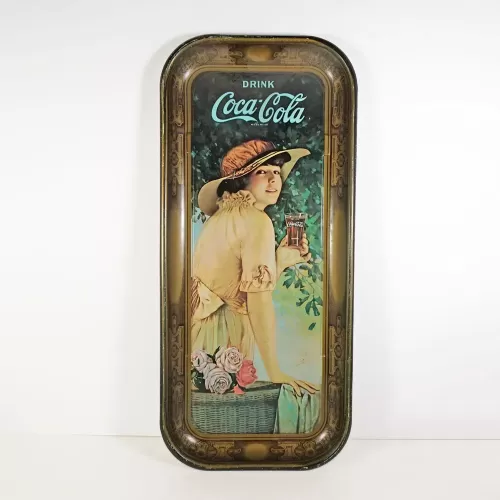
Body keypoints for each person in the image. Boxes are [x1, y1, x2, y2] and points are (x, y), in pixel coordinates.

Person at [191, 139, 319, 396]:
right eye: (262, 172)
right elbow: (257, 301)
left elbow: (237, 288)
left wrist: (279, 262)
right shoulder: (257, 221)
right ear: (242, 180)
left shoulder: (220, 217)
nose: (273, 179)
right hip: (224, 334)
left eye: (276, 172)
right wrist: (275, 372)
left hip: (201, 332)